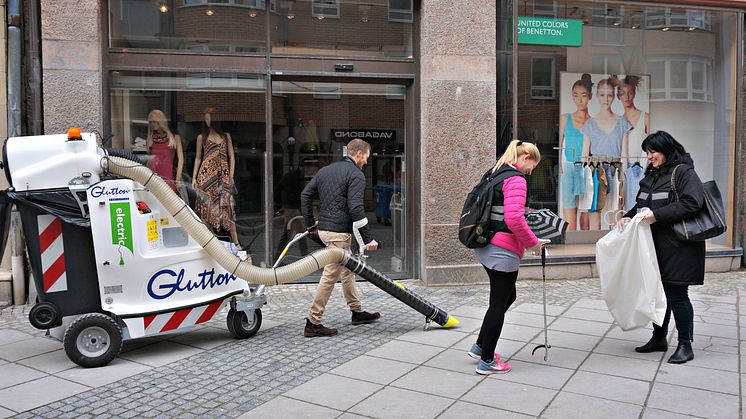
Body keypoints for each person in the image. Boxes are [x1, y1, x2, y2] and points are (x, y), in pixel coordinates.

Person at [616, 131, 705, 364]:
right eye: (647, 152)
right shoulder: (652, 175)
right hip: (655, 245)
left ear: (666, 150)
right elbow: (641, 204)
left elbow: (693, 202)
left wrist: (656, 215)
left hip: (680, 246)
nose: (649, 157)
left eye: (653, 152)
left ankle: (686, 345)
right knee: (657, 293)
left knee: (677, 294)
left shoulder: (683, 172)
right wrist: (627, 217)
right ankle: (659, 338)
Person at [468, 139, 550, 374]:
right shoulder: (516, 178)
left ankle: (480, 346)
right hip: (502, 250)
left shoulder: (495, 173)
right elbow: (513, 220)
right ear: (524, 158)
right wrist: (533, 243)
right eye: (531, 165)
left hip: (486, 245)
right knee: (498, 304)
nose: (530, 171)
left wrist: (523, 211)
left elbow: (502, 209)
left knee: (507, 296)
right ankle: (487, 361)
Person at [300, 138, 381, 337]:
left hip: (326, 230)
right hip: (338, 234)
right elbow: (356, 208)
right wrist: (368, 238)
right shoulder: (356, 174)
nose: (367, 162)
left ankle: (357, 312)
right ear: (359, 154)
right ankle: (313, 322)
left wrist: (311, 224)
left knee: (348, 271)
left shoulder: (325, 170)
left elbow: (305, 195)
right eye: (367, 158)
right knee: (330, 276)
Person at [581, 75, 632, 230]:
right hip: (596, 169)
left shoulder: (623, 123)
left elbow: (624, 153)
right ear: (596, 95)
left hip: (615, 169)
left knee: (615, 211)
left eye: (609, 95)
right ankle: (594, 246)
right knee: (595, 208)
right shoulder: (589, 124)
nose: (606, 99)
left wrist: (623, 178)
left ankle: (615, 244)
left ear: (614, 97)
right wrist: (584, 176)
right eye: (602, 95)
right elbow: (585, 154)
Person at [192, 110, 240, 247]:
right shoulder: (202, 137)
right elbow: (198, 157)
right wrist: (194, 178)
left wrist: (231, 175)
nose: (207, 121)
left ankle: (236, 243)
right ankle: (209, 243)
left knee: (227, 208)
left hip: (223, 177)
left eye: (209, 118)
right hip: (206, 178)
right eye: (205, 119)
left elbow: (231, 156)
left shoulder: (226, 136)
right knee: (207, 208)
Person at [559, 74, 592, 231]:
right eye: (576, 95)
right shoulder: (566, 118)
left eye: (584, 95)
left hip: (587, 168)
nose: (579, 100)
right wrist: (561, 168)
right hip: (570, 166)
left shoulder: (592, 122)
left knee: (585, 221)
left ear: (589, 97)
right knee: (570, 220)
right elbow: (560, 145)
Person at [146, 109, 184, 192]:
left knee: (169, 201)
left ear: (160, 121)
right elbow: (149, 158)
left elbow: (181, 159)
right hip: (153, 176)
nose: (153, 124)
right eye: (151, 122)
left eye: (155, 121)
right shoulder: (151, 138)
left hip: (167, 175)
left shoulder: (174, 138)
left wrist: (177, 179)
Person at [618, 75, 650, 168]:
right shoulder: (618, 121)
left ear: (634, 94)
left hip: (641, 168)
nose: (627, 97)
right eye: (623, 93)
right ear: (618, 96)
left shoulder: (645, 117)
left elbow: (652, 147)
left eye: (630, 93)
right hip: (621, 168)